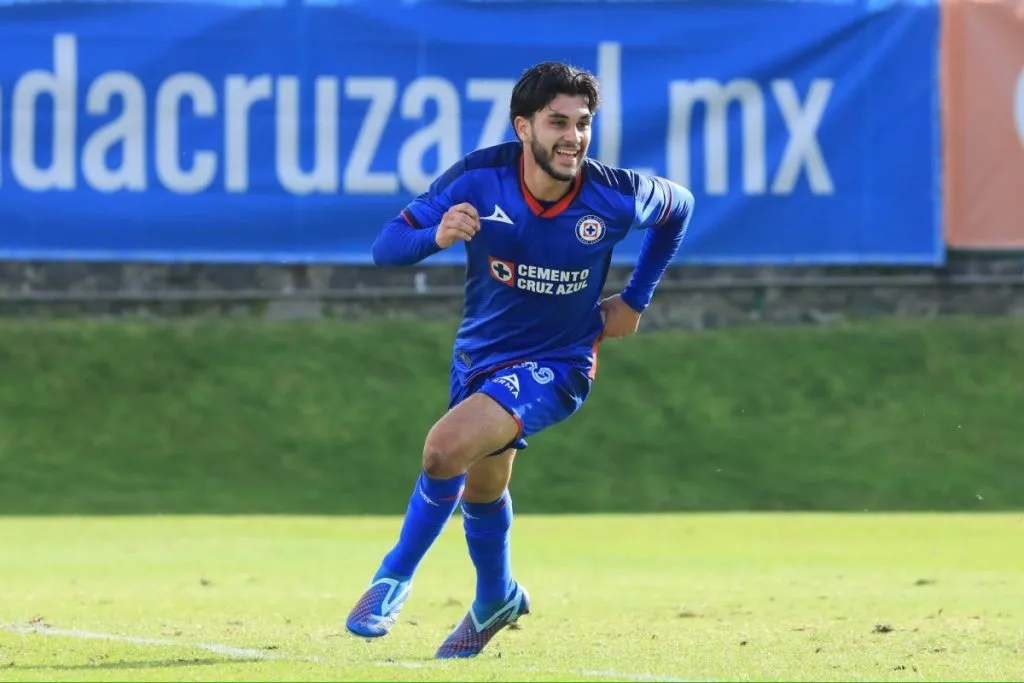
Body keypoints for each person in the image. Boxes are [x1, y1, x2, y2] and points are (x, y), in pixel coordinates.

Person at [345, 61, 695, 659]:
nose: (573, 137)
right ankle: (497, 598)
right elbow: (386, 247)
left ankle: (391, 578)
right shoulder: (479, 179)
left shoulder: (614, 194)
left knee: (443, 448)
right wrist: (437, 236)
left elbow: (679, 207)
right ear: (523, 126)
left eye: (583, 123)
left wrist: (635, 300)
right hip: (479, 360)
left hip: (559, 363)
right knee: (483, 487)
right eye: (558, 122)